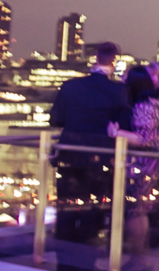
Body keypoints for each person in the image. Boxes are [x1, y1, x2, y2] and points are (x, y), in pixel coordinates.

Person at [47, 42, 129, 247]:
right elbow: (124, 125)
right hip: (100, 155)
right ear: (114, 62)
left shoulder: (70, 86)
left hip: (70, 152)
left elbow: (56, 120)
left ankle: (63, 250)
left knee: (66, 202)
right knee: (93, 205)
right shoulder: (119, 91)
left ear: (95, 58)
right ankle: (85, 254)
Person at [110, 66, 159, 271]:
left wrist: (118, 132)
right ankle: (140, 258)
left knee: (135, 211)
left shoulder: (143, 105)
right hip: (151, 161)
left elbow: (145, 138)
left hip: (143, 163)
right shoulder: (155, 101)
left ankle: (138, 258)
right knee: (140, 211)